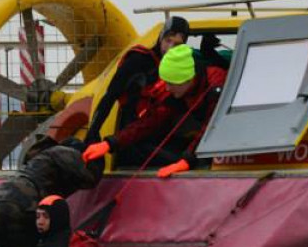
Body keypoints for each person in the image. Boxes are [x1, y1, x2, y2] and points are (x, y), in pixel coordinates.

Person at [81, 44, 227, 177]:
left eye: (171, 83)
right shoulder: (178, 92)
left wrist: (187, 160)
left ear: (188, 79)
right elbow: (150, 121)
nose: (167, 88)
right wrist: (111, 143)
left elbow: (212, 126)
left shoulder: (217, 86)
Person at [83, 16, 190, 160]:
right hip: (132, 137)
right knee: (173, 160)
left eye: (176, 44)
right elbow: (109, 96)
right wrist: (93, 132)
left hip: (159, 132)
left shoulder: (183, 66)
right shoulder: (139, 60)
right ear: (160, 38)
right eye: (167, 40)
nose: (170, 48)